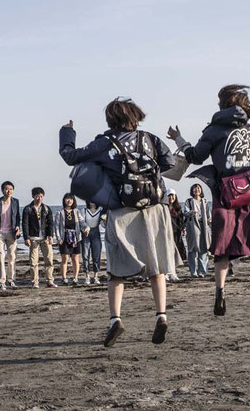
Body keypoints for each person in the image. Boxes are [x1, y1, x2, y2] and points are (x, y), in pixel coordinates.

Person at [59, 97, 176, 347]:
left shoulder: (105, 143)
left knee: (116, 271)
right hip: (154, 208)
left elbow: (71, 156)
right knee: (156, 267)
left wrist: (67, 133)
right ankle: (161, 315)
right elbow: (170, 163)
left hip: (122, 211)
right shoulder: (150, 139)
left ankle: (116, 320)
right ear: (136, 116)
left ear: (110, 119)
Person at [168, 84, 250, 316]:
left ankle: (220, 292)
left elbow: (195, 156)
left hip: (227, 195)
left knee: (222, 248)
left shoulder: (213, 131)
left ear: (222, 105)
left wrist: (179, 139)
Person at [22, 187, 57, 288]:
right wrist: (26, 238)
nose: (39, 198)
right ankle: (34, 282)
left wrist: (50, 235)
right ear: (33, 196)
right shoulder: (28, 209)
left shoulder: (46, 209)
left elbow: (50, 223)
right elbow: (25, 224)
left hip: (45, 237)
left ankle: (50, 280)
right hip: (33, 238)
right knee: (33, 261)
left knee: (49, 260)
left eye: (41, 196)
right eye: (37, 196)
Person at [0, 181, 21, 290]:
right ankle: (1, 281)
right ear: (2, 190)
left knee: (12, 256)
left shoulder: (15, 202)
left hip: (11, 232)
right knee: (0, 256)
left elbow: (17, 216)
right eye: (6, 189)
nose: (9, 191)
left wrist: (18, 227)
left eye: (11, 189)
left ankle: (11, 280)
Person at [54, 193, 86, 285]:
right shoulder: (59, 213)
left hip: (75, 237)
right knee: (65, 258)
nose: (69, 201)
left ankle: (75, 278)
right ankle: (64, 278)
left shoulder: (76, 212)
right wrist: (59, 238)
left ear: (73, 201)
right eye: (67, 199)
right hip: (64, 237)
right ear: (64, 200)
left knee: (75, 258)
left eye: (71, 199)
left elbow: (82, 222)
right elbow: (56, 227)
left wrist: (85, 228)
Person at [183, 183, 211, 277]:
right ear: (192, 190)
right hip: (192, 225)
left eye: (198, 188)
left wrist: (209, 223)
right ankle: (193, 271)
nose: (197, 190)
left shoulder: (205, 201)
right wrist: (192, 212)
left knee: (203, 248)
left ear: (201, 190)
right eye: (194, 188)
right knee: (192, 248)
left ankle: (202, 271)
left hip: (203, 225)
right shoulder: (189, 201)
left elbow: (208, 216)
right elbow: (185, 213)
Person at [81, 201, 104, 285]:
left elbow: (103, 225)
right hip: (86, 234)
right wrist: (85, 227)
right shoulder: (84, 210)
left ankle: (95, 276)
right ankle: (87, 276)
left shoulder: (100, 210)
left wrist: (104, 220)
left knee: (96, 256)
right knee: (85, 255)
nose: (92, 202)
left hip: (96, 233)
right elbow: (82, 221)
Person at [166, 189, 186, 281]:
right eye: (169, 195)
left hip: (176, 233)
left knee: (175, 253)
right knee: (167, 253)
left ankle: (173, 272)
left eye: (173, 195)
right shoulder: (164, 207)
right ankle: (166, 273)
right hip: (166, 234)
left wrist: (183, 229)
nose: (171, 198)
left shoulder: (178, 208)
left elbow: (181, 220)